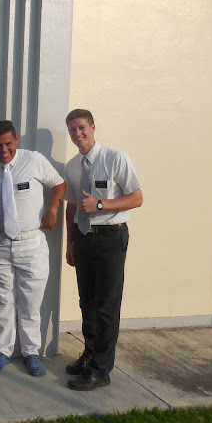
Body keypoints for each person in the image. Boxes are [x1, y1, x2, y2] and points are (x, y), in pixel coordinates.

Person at [64, 108, 142, 391]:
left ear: (93, 127)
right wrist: (70, 243)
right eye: (72, 129)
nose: (77, 133)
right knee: (87, 301)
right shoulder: (72, 166)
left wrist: (100, 204)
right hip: (83, 237)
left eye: (81, 127)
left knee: (107, 305)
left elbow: (136, 198)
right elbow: (72, 206)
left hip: (111, 238)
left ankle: (100, 370)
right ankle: (90, 353)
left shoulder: (115, 158)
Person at [0, 120, 65, 377]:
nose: (3, 149)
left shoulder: (34, 160)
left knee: (31, 301)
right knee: (1, 300)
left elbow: (58, 184)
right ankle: (2, 351)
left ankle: (31, 353)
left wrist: (53, 208)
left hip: (31, 243)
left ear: (16, 139)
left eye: (8, 143)